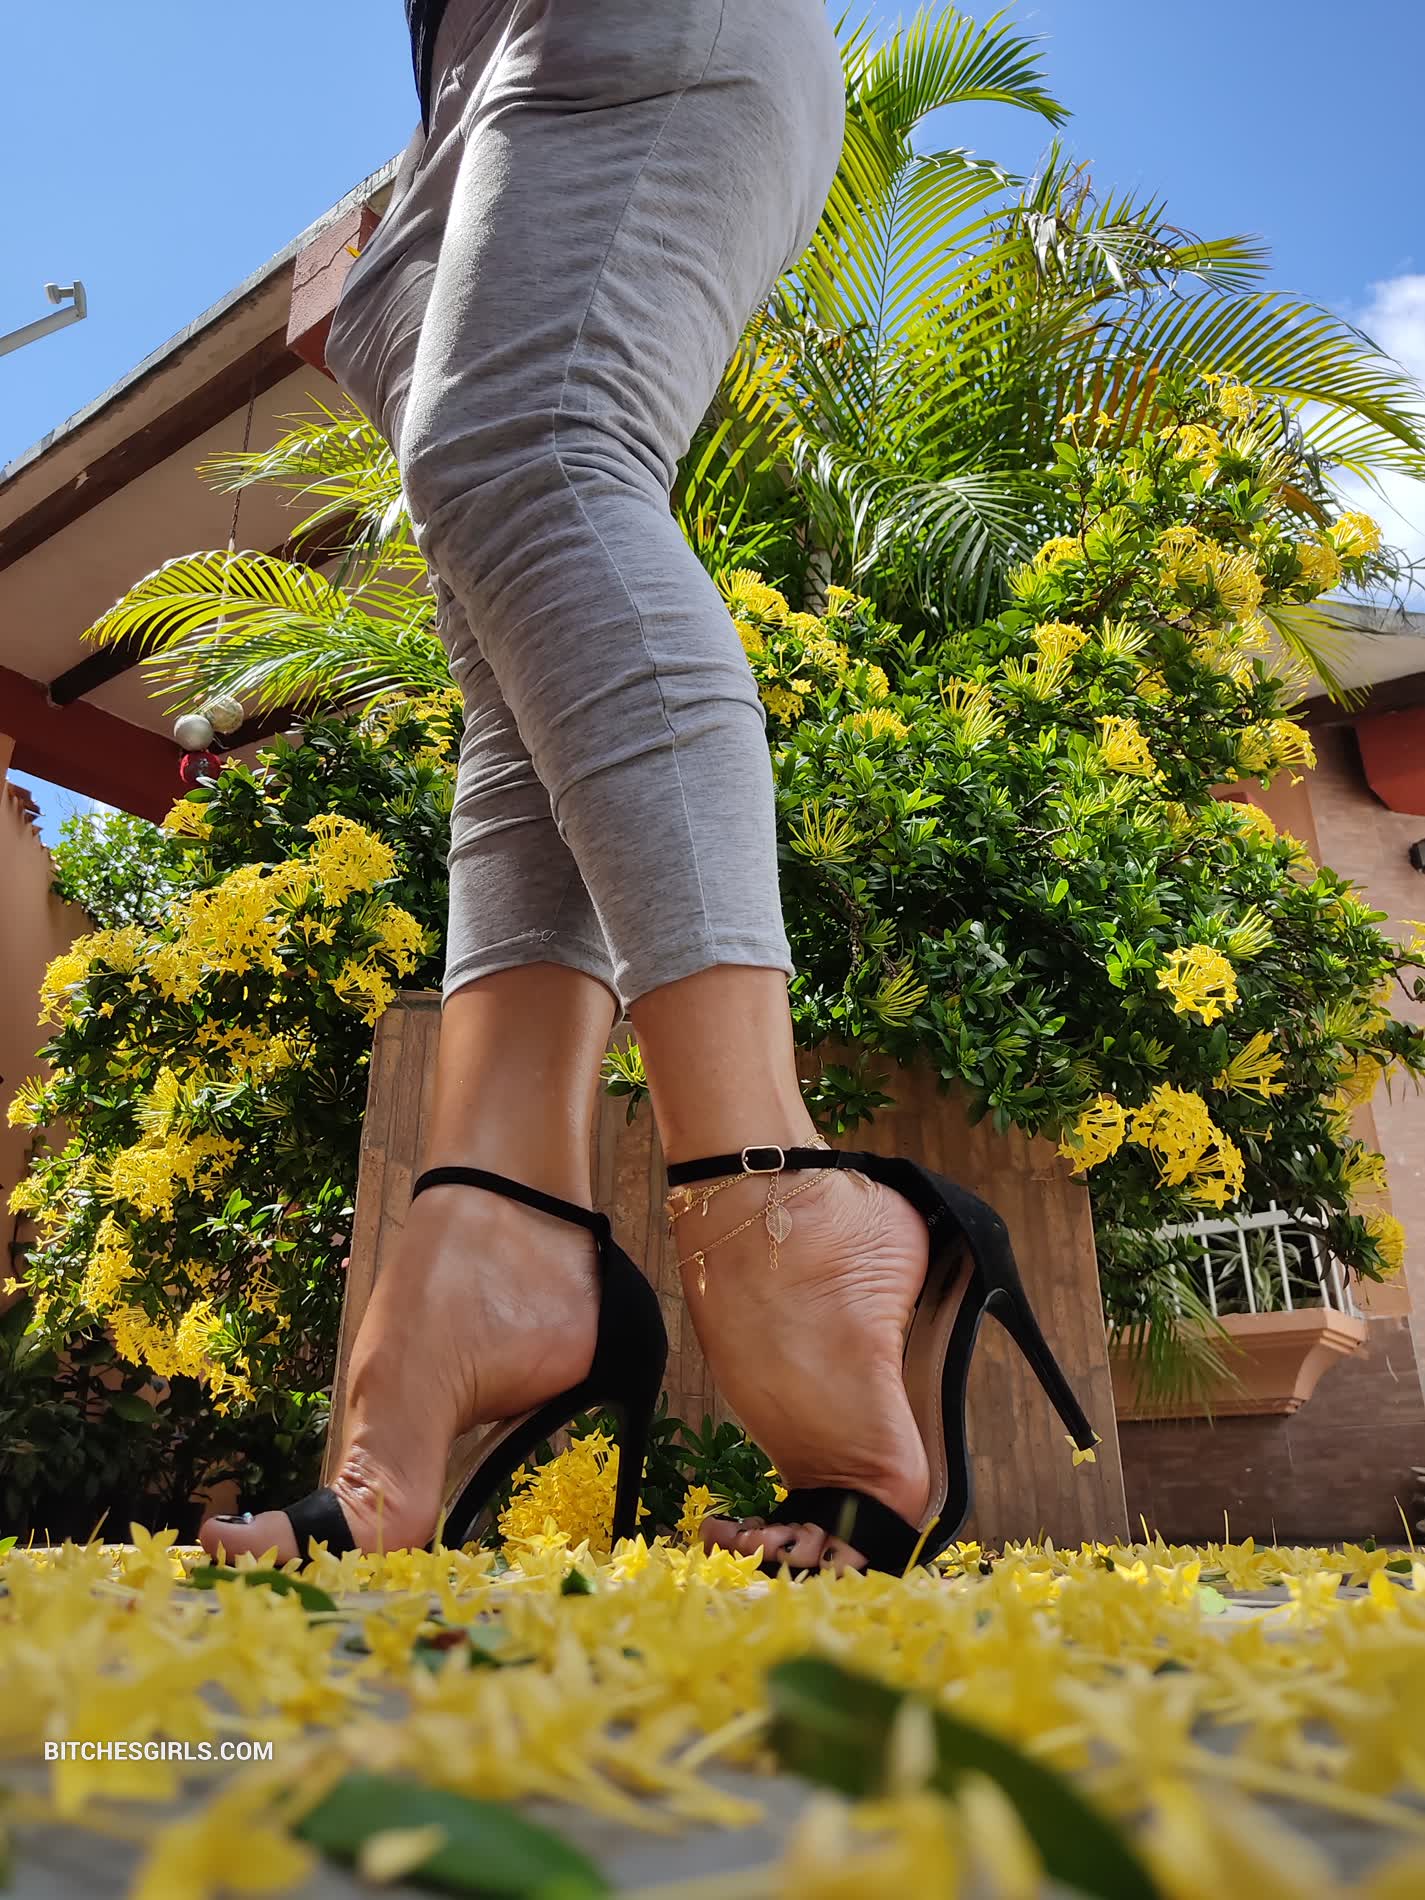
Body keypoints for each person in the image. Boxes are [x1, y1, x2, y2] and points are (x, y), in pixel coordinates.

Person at [200, 0, 1094, 1578]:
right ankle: (495, 1217)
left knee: (537, 455)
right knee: (507, 647)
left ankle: (774, 1194)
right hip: (464, 89)